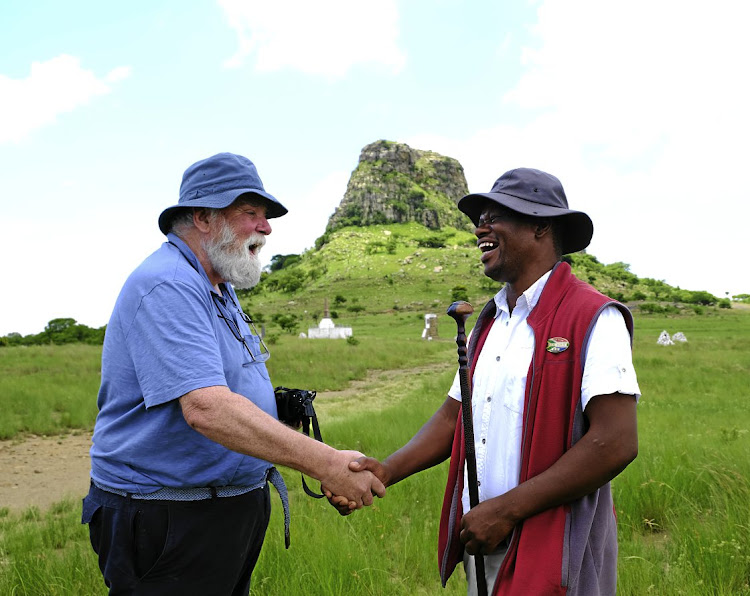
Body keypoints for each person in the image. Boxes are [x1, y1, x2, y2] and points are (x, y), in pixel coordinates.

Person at [82, 152, 385, 595]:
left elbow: (218, 383)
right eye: (250, 213)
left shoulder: (217, 285)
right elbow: (206, 408)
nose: (266, 227)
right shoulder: (169, 283)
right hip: (168, 514)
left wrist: (274, 407)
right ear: (204, 217)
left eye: (266, 216)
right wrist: (328, 464)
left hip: (220, 507)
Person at [329, 167, 640, 595]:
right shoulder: (491, 322)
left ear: (540, 226)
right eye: (480, 219)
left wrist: (507, 510)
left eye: (496, 216)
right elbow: (453, 418)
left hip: (556, 547)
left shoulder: (594, 317)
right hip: (485, 539)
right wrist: (385, 470)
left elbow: (616, 442)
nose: (480, 228)